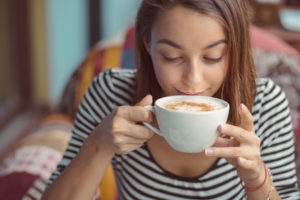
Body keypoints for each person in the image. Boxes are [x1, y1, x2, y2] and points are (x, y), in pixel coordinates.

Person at [43, 0, 300, 199]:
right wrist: (98, 146)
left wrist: (257, 178)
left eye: (212, 57)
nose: (193, 80)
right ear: (147, 45)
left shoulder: (266, 104)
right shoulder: (111, 94)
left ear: (234, 51)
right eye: (171, 56)